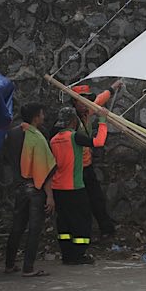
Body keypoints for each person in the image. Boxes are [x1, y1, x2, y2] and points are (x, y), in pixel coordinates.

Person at [50, 106, 109, 265]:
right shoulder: (75, 137)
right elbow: (98, 142)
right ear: (73, 121)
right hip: (74, 187)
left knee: (64, 222)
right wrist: (103, 120)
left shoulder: (53, 139)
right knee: (81, 221)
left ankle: (67, 254)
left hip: (58, 188)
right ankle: (79, 254)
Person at [3, 103, 56, 277]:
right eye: (41, 114)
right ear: (35, 117)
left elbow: (6, 158)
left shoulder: (11, 134)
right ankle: (28, 268)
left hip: (19, 186)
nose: (43, 117)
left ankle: (9, 264)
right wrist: (49, 196)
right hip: (35, 188)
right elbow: (44, 169)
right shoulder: (38, 137)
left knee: (17, 227)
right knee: (34, 228)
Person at [71, 82, 122, 239]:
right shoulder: (70, 120)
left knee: (97, 198)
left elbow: (100, 99)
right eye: (82, 100)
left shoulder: (87, 112)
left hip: (87, 166)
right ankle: (81, 237)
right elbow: (98, 142)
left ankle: (106, 229)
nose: (86, 103)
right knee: (80, 204)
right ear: (74, 102)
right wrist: (102, 121)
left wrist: (113, 87)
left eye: (87, 99)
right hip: (74, 169)